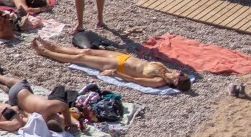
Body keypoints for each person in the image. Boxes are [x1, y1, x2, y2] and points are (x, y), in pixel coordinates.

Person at [31, 37, 192, 90]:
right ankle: (54, 47)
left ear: (176, 81)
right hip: (123, 58)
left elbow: (135, 80)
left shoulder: (159, 81)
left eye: (180, 75)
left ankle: (45, 52)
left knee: (80, 59)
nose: (180, 72)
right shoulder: (167, 70)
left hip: (118, 66)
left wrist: (115, 73)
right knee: (86, 52)